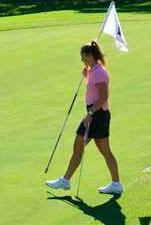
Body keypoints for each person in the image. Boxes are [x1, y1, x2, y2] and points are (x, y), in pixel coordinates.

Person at [46, 41, 123, 195]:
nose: (82, 59)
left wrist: (91, 113)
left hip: (96, 114)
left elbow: (103, 97)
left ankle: (65, 180)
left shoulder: (99, 72)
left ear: (91, 56)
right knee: (101, 150)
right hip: (98, 114)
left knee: (80, 146)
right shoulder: (94, 70)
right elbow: (94, 87)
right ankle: (116, 184)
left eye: (84, 56)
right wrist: (87, 74)